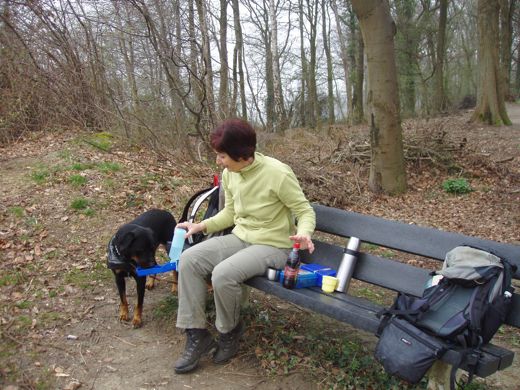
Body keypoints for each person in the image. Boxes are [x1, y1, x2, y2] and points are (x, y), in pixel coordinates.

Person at [174, 118, 316, 374]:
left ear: (242, 155)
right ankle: (196, 334)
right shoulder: (230, 174)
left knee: (223, 274)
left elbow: (304, 211)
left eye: (222, 156)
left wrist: (304, 233)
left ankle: (229, 330)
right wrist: (201, 226)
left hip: (273, 245)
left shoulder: (278, 173)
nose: (218, 161)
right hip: (241, 237)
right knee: (189, 259)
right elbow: (230, 214)